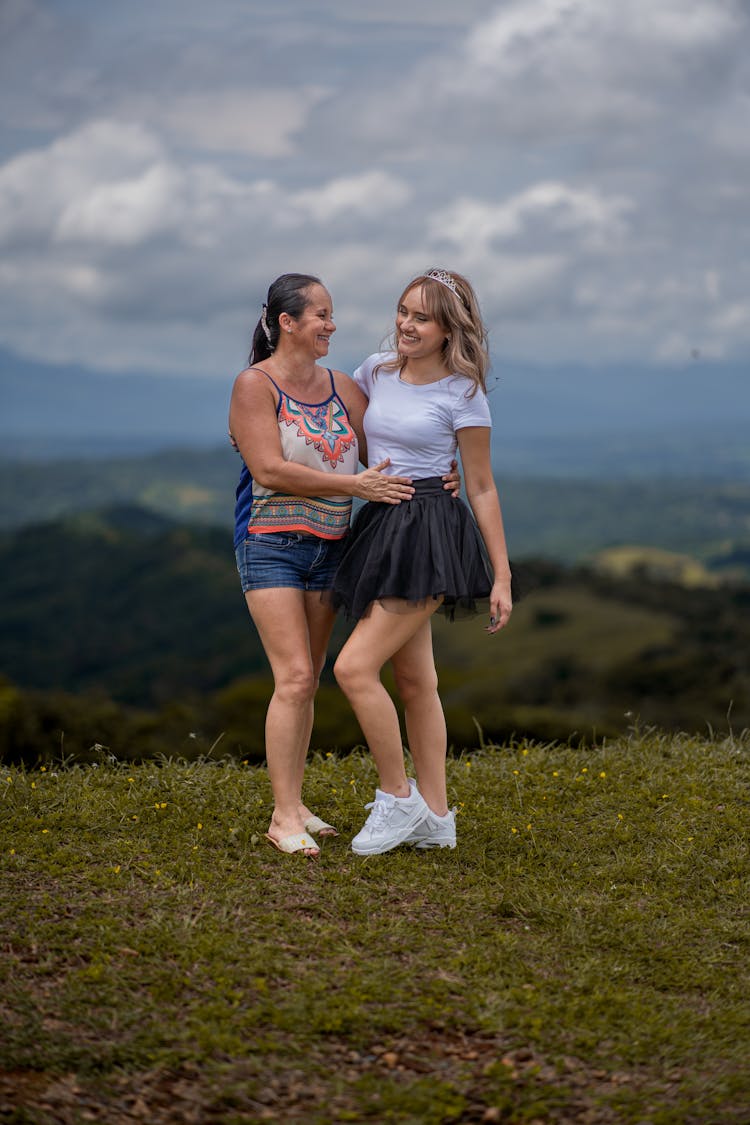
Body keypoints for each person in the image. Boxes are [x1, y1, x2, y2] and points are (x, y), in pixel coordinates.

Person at [228, 272, 459, 858]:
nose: (332, 325)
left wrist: (439, 477)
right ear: (287, 323)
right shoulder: (255, 385)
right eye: (321, 315)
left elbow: (390, 443)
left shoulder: (344, 387)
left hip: (334, 546)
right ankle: (284, 816)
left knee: (309, 676)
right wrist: (355, 484)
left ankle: (297, 802)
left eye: (331, 314)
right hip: (271, 542)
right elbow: (269, 470)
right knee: (297, 677)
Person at [329, 268, 513, 855]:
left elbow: (481, 485)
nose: (406, 325)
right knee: (414, 679)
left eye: (422, 317)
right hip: (381, 522)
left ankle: (398, 798)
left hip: (431, 527)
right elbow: (342, 428)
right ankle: (436, 816)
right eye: (403, 311)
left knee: (354, 669)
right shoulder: (374, 371)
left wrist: (502, 574)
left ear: (447, 329)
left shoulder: (463, 392)